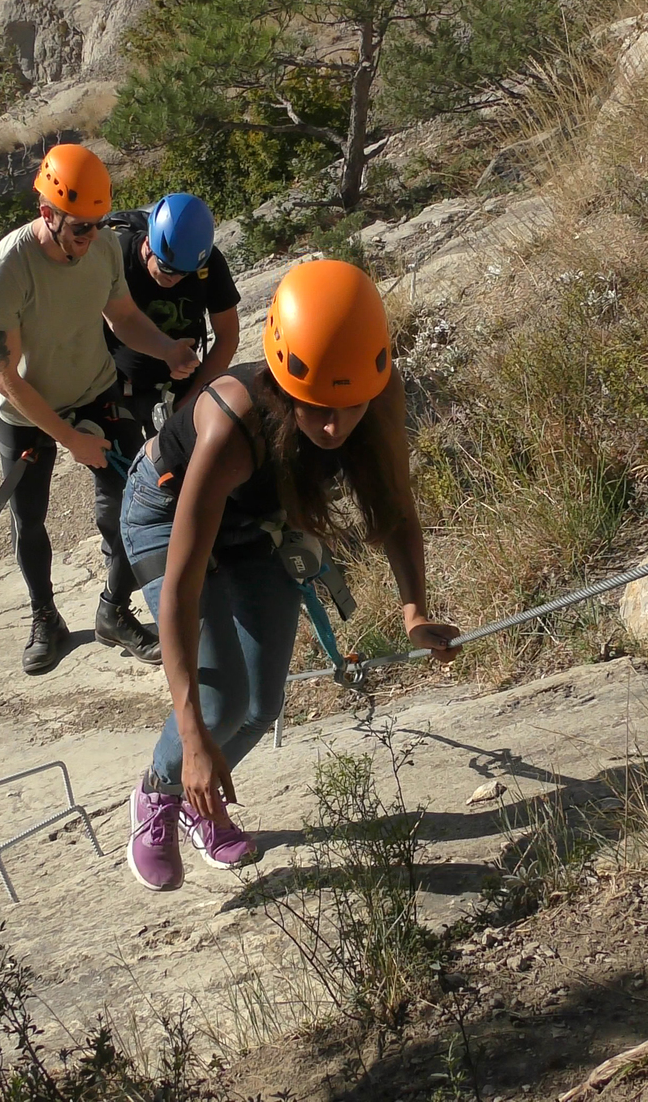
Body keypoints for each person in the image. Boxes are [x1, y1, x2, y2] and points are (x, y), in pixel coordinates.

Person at [117, 259, 461, 891]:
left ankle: (199, 797)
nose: (333, 426)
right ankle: (158, 795)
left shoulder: (376, 389)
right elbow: (183, 590)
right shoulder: (231, 423)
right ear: (281, 380)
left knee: (262, 703)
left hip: (256, 518)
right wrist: (192, 736)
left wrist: (414, 609)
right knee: (219, 704)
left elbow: (397, 511)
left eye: (346, 405)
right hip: (167, 516)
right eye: (315, 407)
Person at [0, 143, 201, 675]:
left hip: (97, 391)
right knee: (27, 520)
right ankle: (44, 618)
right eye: (80, 227)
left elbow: (122, 318)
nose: (92, 237)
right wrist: (70, 439)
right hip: (27, 412)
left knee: (132, 504)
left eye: (99, 224)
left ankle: (114, 612)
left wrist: (167, 349)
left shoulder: (101, 251)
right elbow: (5, 378)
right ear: (47, 214)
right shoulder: (3, 273)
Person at [99, 193, 242, 428]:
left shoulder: (209, 263)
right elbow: (114, 320)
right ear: (148, 245)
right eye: (167, 268)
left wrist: (190, 403)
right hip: (119, 387)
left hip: (181, 387)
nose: (174, 279)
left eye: (184, 274)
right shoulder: (118, 257)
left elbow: (227, 336)